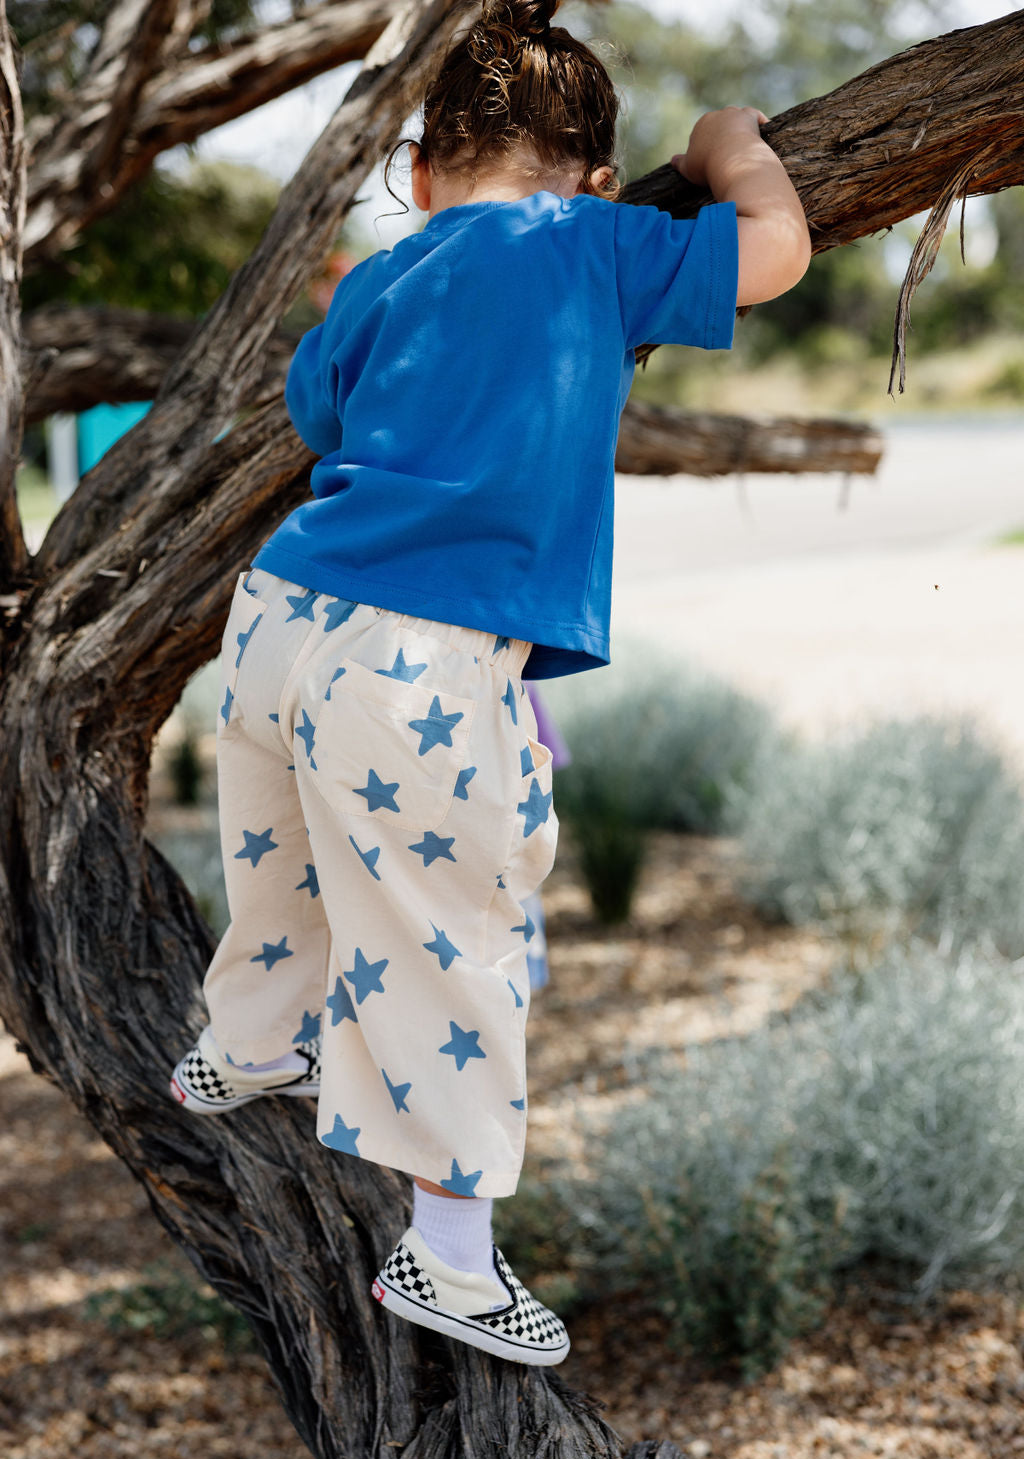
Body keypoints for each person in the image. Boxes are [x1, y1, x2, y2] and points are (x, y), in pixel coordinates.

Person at [169, 0, 810, 1367]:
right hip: (419, 655)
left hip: (282, 616)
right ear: (588, 168)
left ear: (423, 162)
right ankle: (450, 1259)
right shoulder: (587, 240)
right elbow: (778, 255)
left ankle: (246, 1038)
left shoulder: (377, 281)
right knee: (459, 937)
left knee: (282, 865)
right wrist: (728, 151)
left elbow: (319, 418)